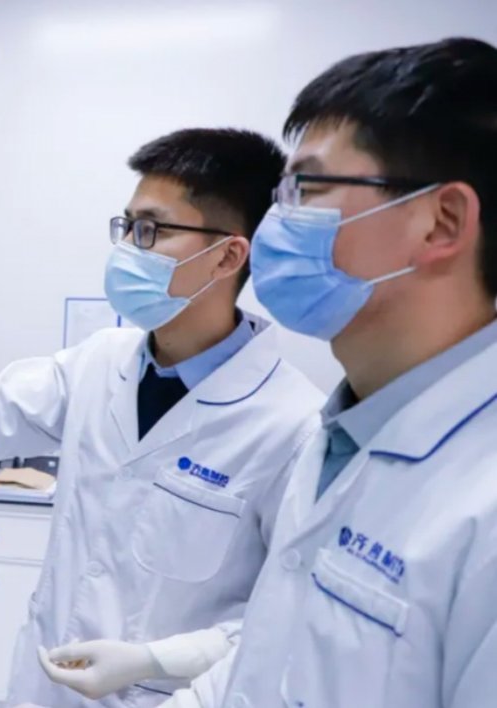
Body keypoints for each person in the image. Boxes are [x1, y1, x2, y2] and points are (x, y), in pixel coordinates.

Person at [0, 128, 324, 707]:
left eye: (152, 230)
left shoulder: (292, 426)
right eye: (126, 226)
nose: (127, 248)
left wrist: (159, 661)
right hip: (46, 687)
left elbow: (288, 618)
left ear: (228, 256)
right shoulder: (99, 363)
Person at [165, 37, 497, 708]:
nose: (274, 223)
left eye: (307, 189)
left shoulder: (481, 505)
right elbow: (272, 658)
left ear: (442, 222)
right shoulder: (343, 433)